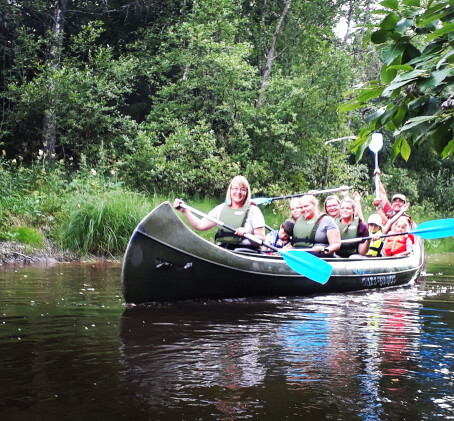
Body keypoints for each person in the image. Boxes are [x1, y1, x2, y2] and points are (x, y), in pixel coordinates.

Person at [173, 176, 265, 250]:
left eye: (242, 189)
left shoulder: (253, 210)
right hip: (223, 250)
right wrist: (184, 211)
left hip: (245, 252)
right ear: (230, 190)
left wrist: (247, 234)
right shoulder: (221, 209)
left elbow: (261, 239)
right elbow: (200, 225)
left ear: (246, 192)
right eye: (235, 188)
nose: (238, 192)